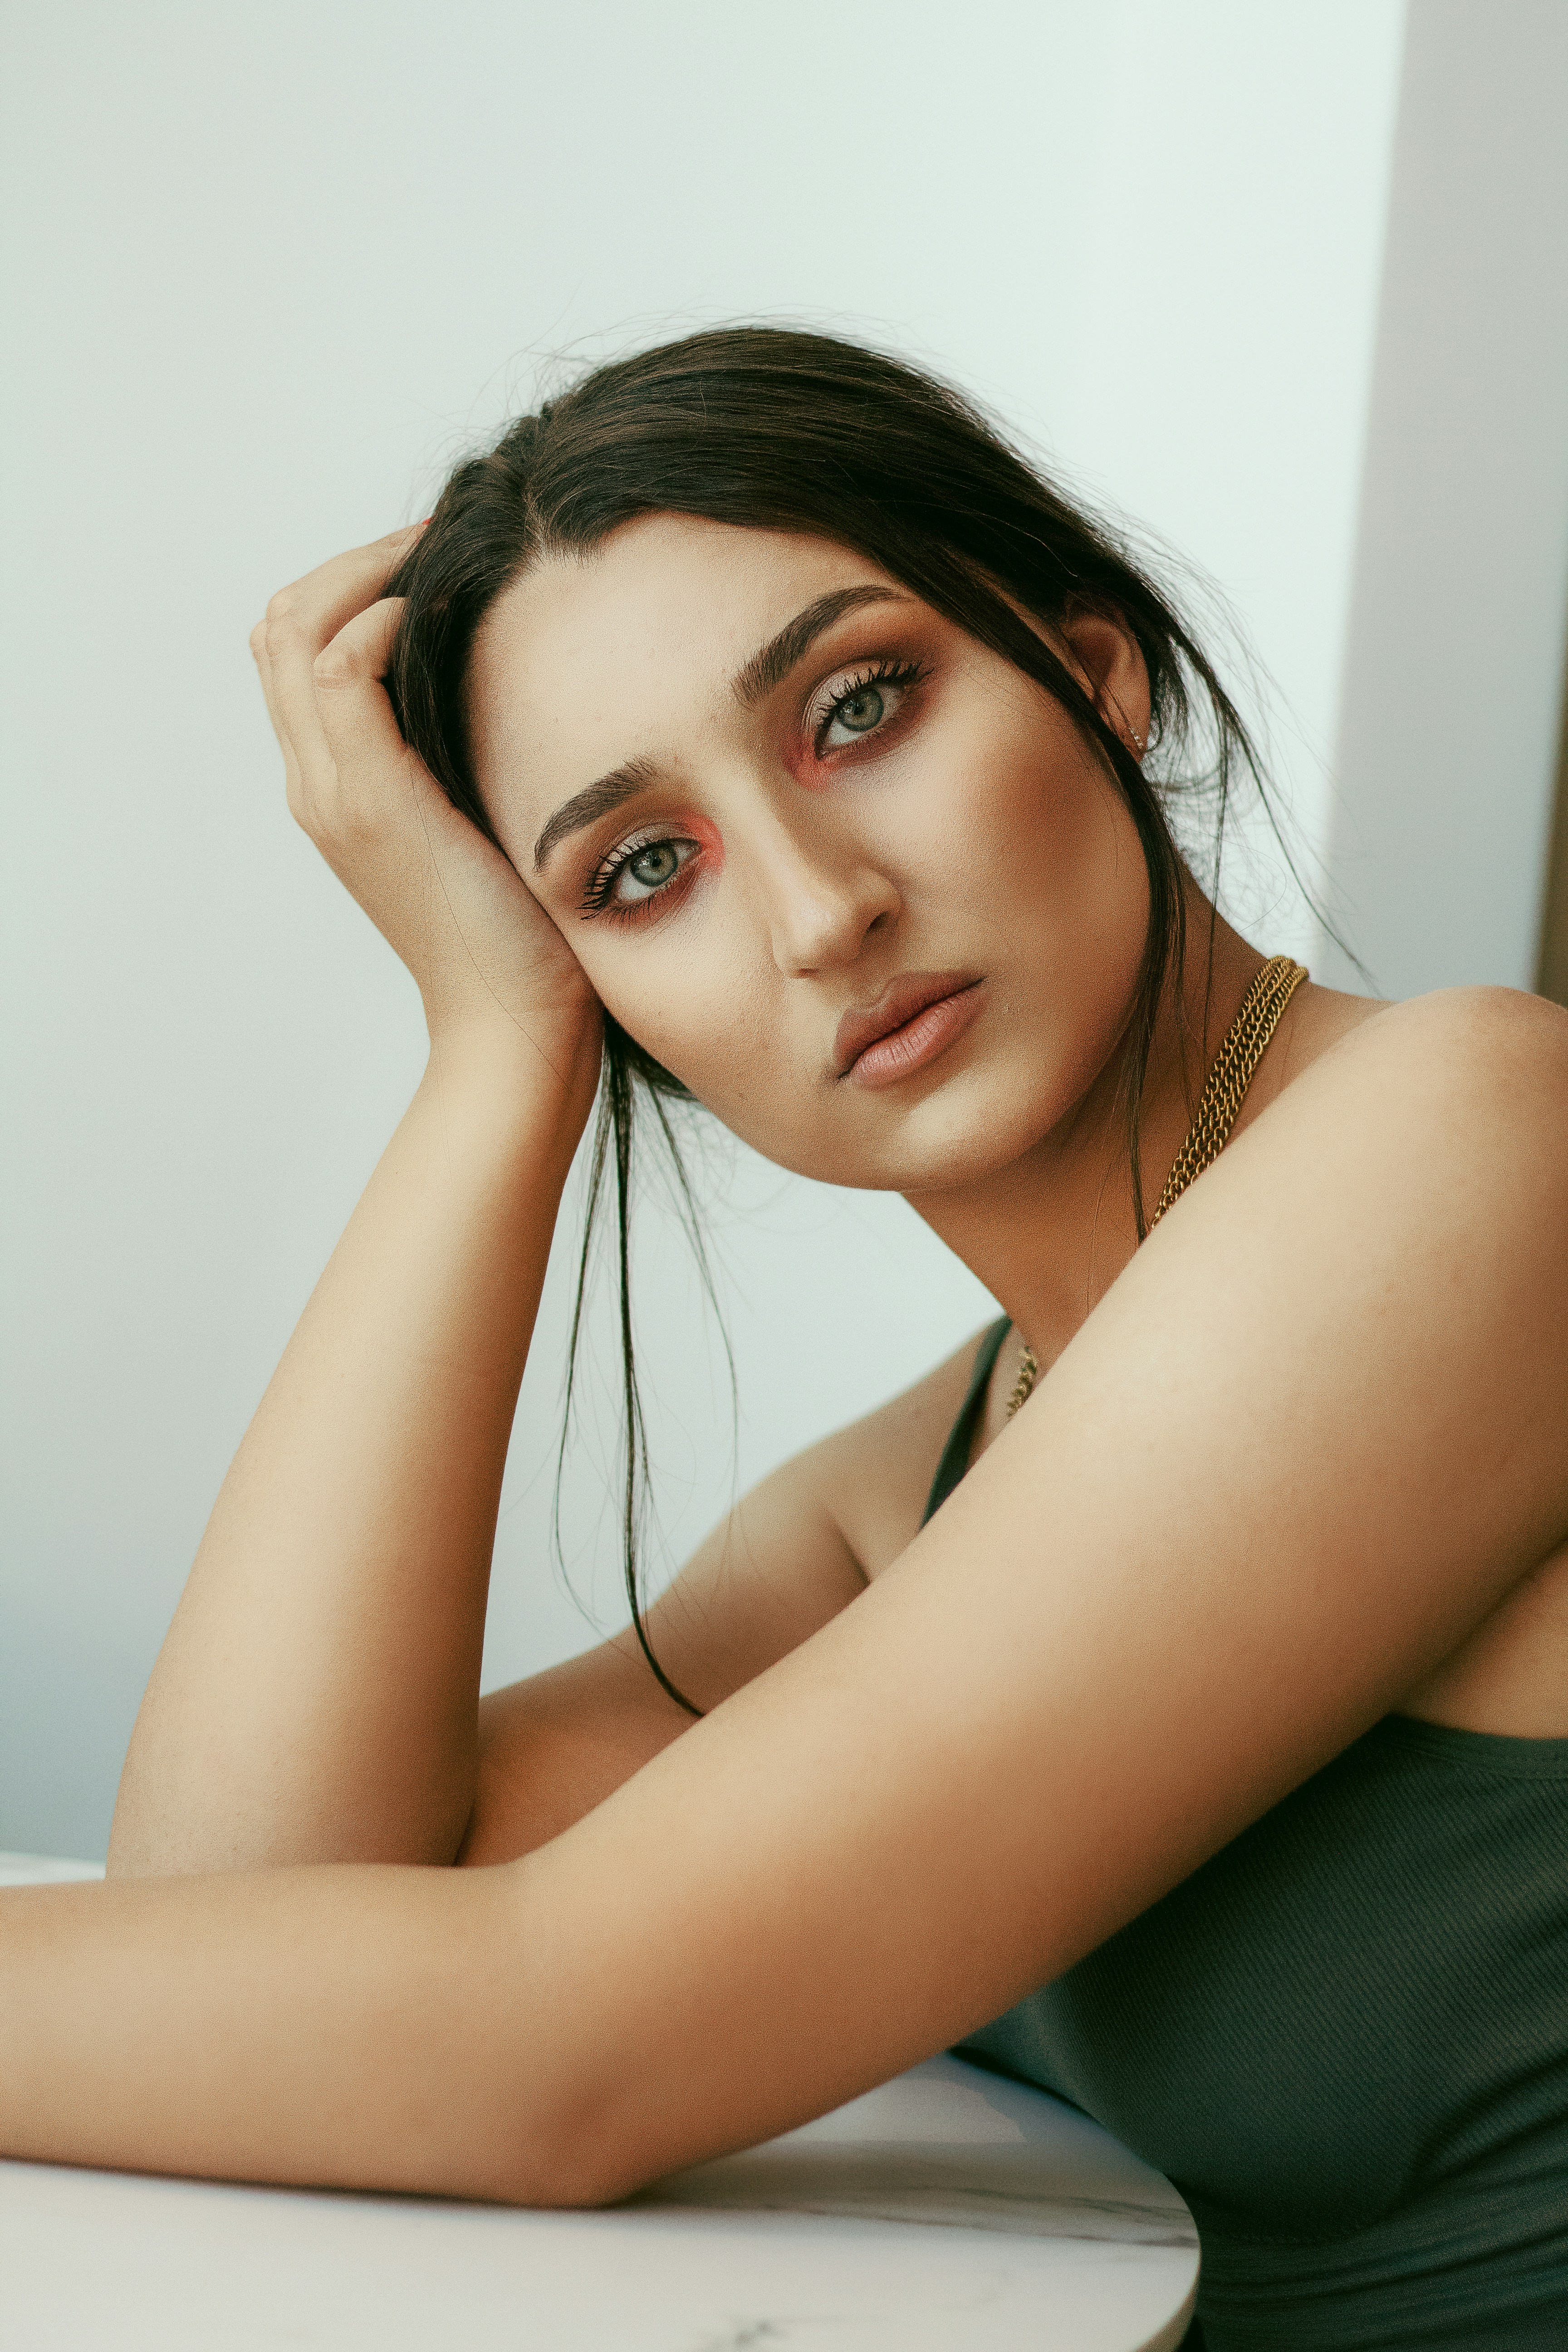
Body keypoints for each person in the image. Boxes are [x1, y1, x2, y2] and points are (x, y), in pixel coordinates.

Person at [3, 329, 1565, 2351]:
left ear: (1097, 668)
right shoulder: (908, 1495)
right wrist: (495, 1050)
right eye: (643, 871)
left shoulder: (1487, 1145)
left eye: (858, 708)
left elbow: (547, 2049)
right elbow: (235, 1941)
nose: (823, 914)